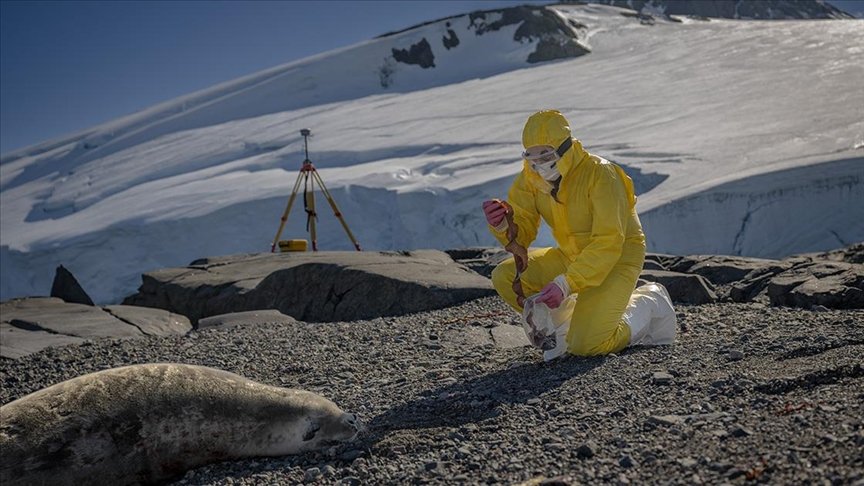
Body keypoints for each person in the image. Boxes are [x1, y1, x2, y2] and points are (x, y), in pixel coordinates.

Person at [483, 110, 675, 359]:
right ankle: (566, 329)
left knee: (589, 346)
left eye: (546, 156)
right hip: (571, 256)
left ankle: (649, 304)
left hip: (617, 259)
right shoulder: (531, 177)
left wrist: (567, 283)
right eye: (532, 157)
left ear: (565, 149)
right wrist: (502, 224)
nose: (539, 164)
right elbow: (524, 230)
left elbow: (609, 241)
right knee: (506, 277)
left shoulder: (601, 174)